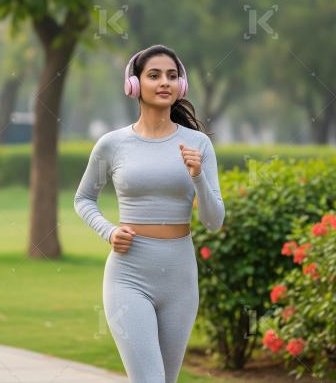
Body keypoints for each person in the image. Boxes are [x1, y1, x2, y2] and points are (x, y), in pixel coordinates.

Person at [74, 44, 226, 383]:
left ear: (181, 86)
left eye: (172, 76)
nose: (164, 83)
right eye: (154, 75)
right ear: (134, 84)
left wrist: (198, 176)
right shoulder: (113, 144)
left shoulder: (199, 145)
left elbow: (214, 221)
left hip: (179, 278)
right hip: (129, 276)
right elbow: (84, 199)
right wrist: (109, 231)